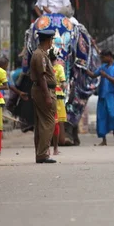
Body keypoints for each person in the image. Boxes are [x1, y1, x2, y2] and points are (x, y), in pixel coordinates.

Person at [30, 29, 58, 164]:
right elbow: (41, 77)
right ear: (48, 40)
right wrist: (47, 95)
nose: (52, 42)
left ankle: (41, 153)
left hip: (41, 90)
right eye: (52, 39)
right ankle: (42, 154)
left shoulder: (41, 54)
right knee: (49, 122)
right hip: (43, 91)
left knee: (42, 122)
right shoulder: (39, 55)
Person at [87, 50, 114, 146]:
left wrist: (106, 76)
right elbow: (93, 74)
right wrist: (84, 68)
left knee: (112, 114)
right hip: (102, 94)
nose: (102, 60)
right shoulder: (102, 67)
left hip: (112, 94)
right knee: (101, 116)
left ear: (109, 56)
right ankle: (104, 139)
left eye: (103, 57)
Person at [49, 48, 67, 155]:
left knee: (49, 123)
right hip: (57, 96)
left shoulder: (46, 67)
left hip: (48, 94)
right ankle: (55, 148)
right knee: (56, 123)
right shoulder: (59, 67)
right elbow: (64, 83)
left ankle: (49, 148)